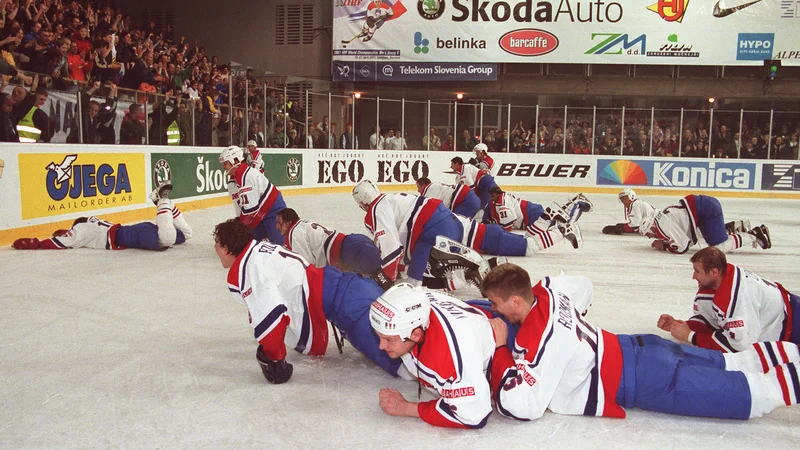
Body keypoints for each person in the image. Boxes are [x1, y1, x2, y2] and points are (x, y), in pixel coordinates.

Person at [482, 263, 800, 422]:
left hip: (644, 379)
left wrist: (500, 351)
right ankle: (789, 353)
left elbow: (523, 407)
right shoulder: (548, 291)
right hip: (642, 346)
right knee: (736, 363)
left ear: (514, 301)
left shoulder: (539, 340)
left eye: (495, 304)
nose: (493, 310)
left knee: (760, 393)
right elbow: (584, 286)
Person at [213, 218, 403, 385]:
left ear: (227, 249)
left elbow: (271, 320)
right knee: (404, 335)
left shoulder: (252, 269)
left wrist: (274, 357)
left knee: (404, 364)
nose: (215, 249)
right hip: (348, 289)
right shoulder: (259, 251)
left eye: (217, 244)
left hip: (348, 304)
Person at [369, 283, 494, 428]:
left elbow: (473, 415)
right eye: (380, 337)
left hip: (500, 345)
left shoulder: (448, 357)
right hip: (478, 315)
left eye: (389, 340)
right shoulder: (416, 305)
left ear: (416, 334)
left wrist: (406, 408)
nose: (381, 346)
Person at [657, 247, 800, 352]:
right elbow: (714, 321)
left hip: (794, 322)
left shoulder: (736, 298)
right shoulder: (717, 284)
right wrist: (682, 326)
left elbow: (740, 346)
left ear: (714, 272)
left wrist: (691, 336)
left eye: (697, 271)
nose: (693, 276)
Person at [12, 184, 191, 251]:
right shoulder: (92, 221)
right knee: (184, 234)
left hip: (132, 236)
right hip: (136, 231)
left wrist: (35, 243)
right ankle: (166, 204)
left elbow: (61, 242)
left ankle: (162, 200)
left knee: (168, 238)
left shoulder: (80, 231)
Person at [352, 180, 462, 285]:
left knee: (413, 283)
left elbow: (390, 247)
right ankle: (455, 276)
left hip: (431, 229)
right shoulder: (391, 198)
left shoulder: (376, 210)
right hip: (451, 221)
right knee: (447, 281)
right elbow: (399, 240)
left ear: (362, 202)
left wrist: (387, 278)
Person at [275, 208, 390, 285]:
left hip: (348, 253)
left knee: (377, 284)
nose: (277, 227)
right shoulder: (303, 223)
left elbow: (306, 264)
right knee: (381, 273)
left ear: (288, 223)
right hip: (354, 241)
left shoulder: (294, 233)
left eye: (279, 223)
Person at [639, 194, 771, 253]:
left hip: (707, 210)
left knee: (718, 248)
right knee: (702, 235)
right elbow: (689, 239)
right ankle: (728, 229)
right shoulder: (661, 219)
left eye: (648, 234)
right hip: (702, 209)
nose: (650, 237)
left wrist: (664, 246)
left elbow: (683, 247)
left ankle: (754, 234)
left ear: (651, 227)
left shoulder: (662, 227)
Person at [219, 145, 287, 244]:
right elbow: (241, 207)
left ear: (236, 161)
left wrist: (238, 228)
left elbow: (250, 211)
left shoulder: (247, 177)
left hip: (273, 210)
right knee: (249, 244)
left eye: (226, 163)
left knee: (278, 246)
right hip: (259, 213)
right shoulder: (234, 181)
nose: (224, 167)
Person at [489, 186, 589, 249]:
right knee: (532, 235)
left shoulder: (503, 203)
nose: (491, 198)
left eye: (493, 196)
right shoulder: (501, 199)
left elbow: (508, 222)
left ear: (498, 194)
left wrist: (505, 236)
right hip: (531, 212)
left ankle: (577, 204)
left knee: (534, 237)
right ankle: (551, 215)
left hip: (530, 214)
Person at [415, 177, 481, 219]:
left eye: (418, 187)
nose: (418, 190)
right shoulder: (437, 185)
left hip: (467, 202)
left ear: (423, 185)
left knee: (455, 225)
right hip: (470, 198)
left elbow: (426, 211)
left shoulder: (430, 189)